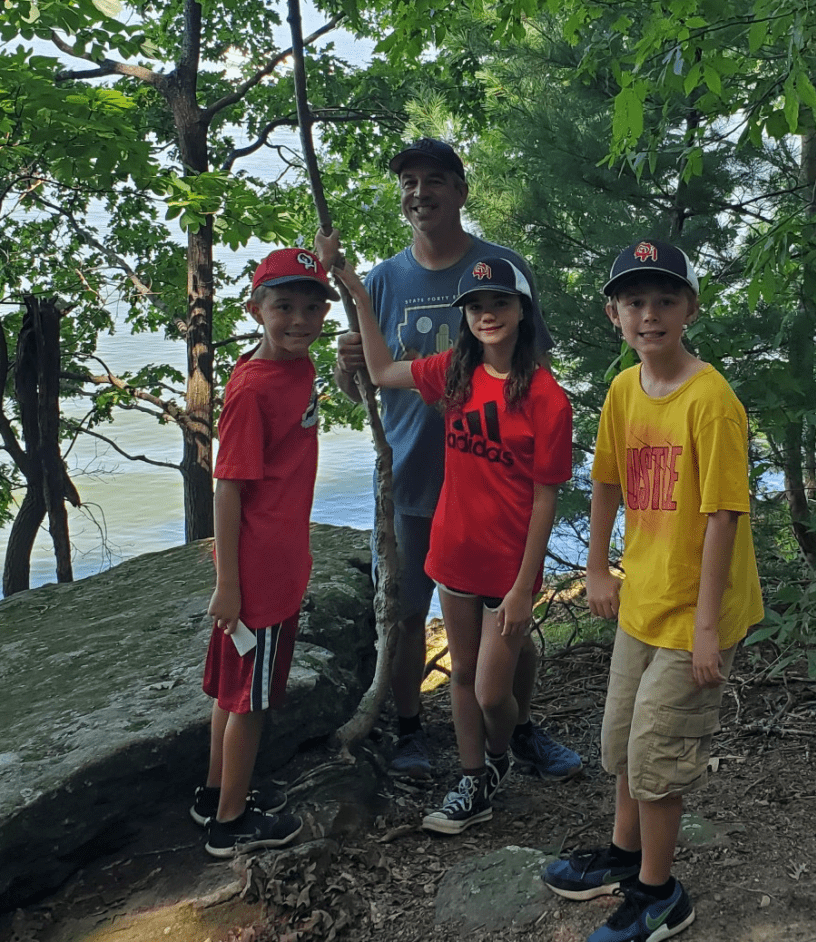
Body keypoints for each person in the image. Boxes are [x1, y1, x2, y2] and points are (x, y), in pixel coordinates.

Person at [322, 137, 581, 784]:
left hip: (498, 488)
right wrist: (342, 368)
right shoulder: (382, 281)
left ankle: (520, 730)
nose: (420, 193)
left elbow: (536, 375)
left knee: (509, 621)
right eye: (408, 182)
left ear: (460, 191)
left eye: (434, 180)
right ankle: (411, 730)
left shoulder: (500, 268)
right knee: (409, 613)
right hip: (412, 481)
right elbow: (367, 385)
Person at [541, 240, 764, 940]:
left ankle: (661, 895)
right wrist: (598, 567)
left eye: (665, 299)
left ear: (690, 309)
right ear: (615, 315)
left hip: (699, 610)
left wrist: (705, 629)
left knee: (659, 759)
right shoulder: (622, 390)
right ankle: (621, 856)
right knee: (622, 745)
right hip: (645, 600)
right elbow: (606, 478)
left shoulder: (711, 399)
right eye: (635, 301)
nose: (649, 314)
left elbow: (724, 514)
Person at [192, 247, 336, 857]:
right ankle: (231, 825)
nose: (299, 320)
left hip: (276, 559)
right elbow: (227, 488)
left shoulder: (291, 367)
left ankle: (215, 792)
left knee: (232, 689)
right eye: (283, 307)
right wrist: (230, 583)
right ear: (255, 308)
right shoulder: (252, 389)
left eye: (311, 308)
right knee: (250, 699)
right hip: (261, 572)